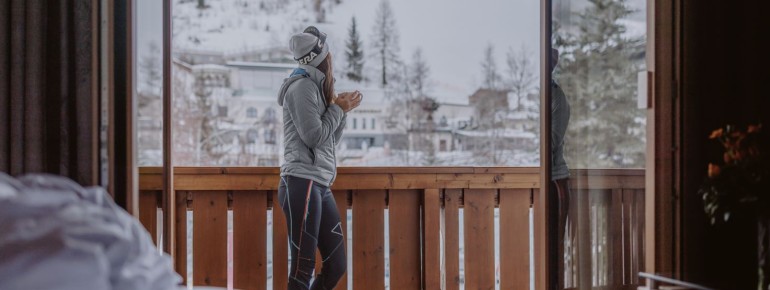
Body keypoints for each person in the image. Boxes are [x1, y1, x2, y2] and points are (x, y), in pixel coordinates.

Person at [276, 26, 361, 290]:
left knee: (336, 265)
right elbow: (313, 137)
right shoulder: (301, 87)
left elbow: (328, 142)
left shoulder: (315, 88)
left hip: (319, 185)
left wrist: (341, 112)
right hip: (301, 182)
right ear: (321, 56)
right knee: (302, 270)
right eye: (328, 52)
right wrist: (337, 108)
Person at [549, 48, 571, 290]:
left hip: (555, 182)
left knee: (554, 250)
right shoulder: (543, 96)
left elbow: (550, 143)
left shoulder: (556, 98)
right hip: (546, 180)